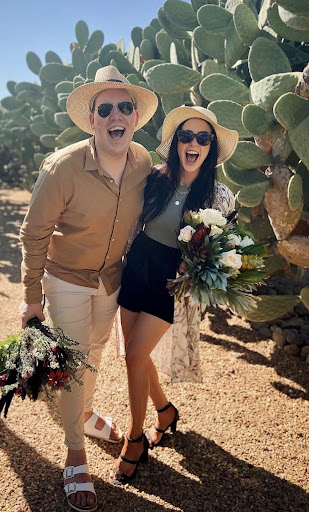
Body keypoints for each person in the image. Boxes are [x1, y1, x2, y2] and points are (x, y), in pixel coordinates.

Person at [19, 66, 158, 511]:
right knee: (76, 360)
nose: (115, 115)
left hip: (111, 279)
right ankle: (75, 451)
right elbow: (33, 233)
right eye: (105, 109)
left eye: (124, 107)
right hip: (67, 279)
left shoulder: (143, 163)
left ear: (134, 116)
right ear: (93, 120)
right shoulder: (62, 168)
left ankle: (81, 413)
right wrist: (30, 298)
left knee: (96, 351)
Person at [110, 106, 239, 485]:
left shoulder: (220, 196)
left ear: (211, 147)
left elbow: (226, 253)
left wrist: (195, 268)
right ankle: (165, 413)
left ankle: (135, 439)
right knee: (134, 353)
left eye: (203, 138)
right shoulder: (154, 179)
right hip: (137, 266)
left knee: (135, 354)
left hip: (172, 283)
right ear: (176, 142)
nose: (193, 143)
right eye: (186, 136)